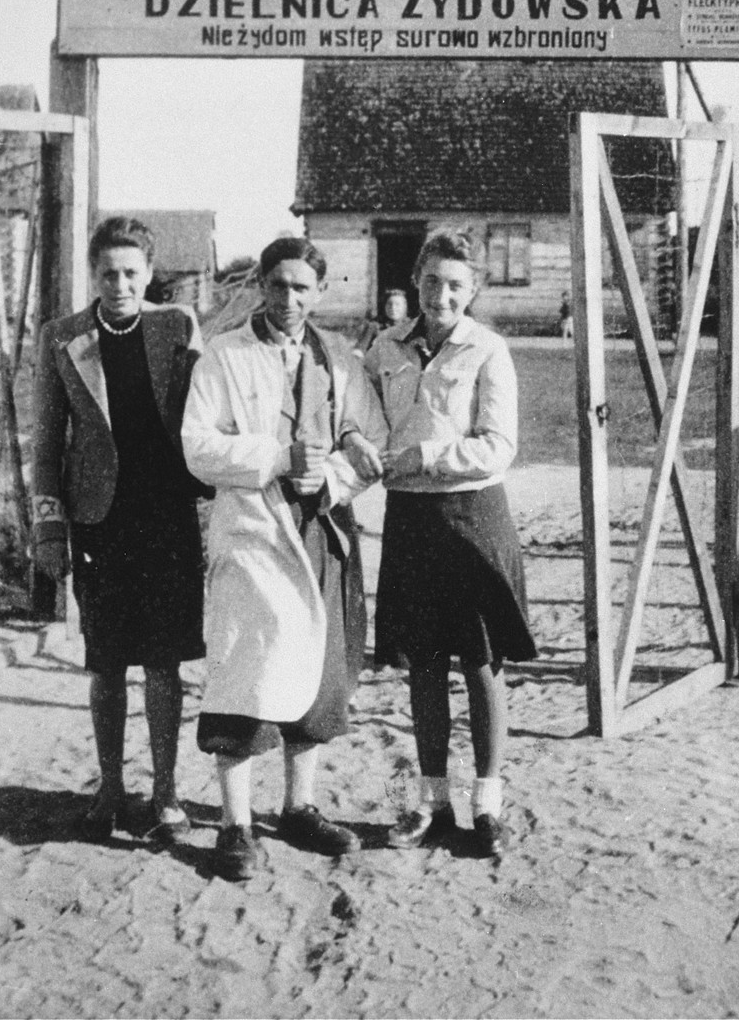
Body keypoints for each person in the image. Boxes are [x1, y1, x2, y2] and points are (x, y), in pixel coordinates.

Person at [181, 236, 388, 880]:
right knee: (246, 665)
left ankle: (299, 805)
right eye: (278, 285)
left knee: (319, 665)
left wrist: (331, 478)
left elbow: (371, 441)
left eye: (303, 287)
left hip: (321, 524)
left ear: (320, 292)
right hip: (253, 526)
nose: (290, 299)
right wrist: (274, 457)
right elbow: (197, 447)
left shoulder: (340, 360)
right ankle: (236, 824)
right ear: (261, 286)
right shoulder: (224, 356)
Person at [354, 230, 537, 859]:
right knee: (424, 665)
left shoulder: (488, 349)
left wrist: (424, 456)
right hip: (411, 524)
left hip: (473, 518)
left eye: (457, 284)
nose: (442, 295)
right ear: (415, 281)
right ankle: (435, 802)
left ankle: (487, 805)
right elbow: (364, 425)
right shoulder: (384, 349)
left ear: (474, 289)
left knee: (480, 663)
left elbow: (498, 446)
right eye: (432, 281)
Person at [32, 215, 208, 843]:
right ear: (93, 273)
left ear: (150, 275)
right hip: (99, 523)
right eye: (108, 272)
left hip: (168, 519)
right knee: (105, 663)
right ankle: (110, 789)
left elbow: (210, 416)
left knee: (164, 662)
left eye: (132, 272)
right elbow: (47, 446)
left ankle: (165, 795)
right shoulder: (63, 337)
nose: (120, 283)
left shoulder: (177, 327)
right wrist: (49, 530)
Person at [353, 288, 410, 358]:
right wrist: (357, 355)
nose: (393, 308)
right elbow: (360, 348)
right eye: (389, 304)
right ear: (385, 306)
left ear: (405, 307)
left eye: (397, 304)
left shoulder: (412, 326)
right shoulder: (374, 326)